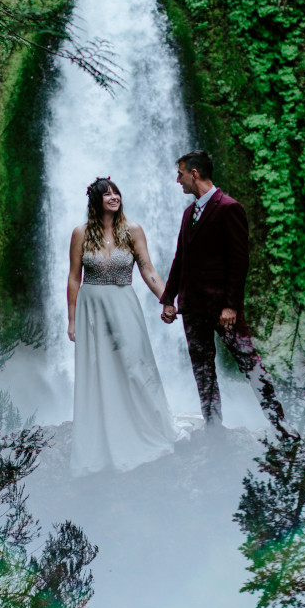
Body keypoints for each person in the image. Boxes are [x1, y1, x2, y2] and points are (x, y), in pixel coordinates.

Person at [158, 150, 296, 441]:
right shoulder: (188, 213)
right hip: (193, 308)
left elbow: (239, 261)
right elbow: (179, 259)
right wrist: (169, 299)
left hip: (223, 310)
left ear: (194, 174)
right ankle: (213, 428)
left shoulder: (229, 208)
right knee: (203, 371)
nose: (177, 180)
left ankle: (280, 425)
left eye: (180, 174)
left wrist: (231, 305)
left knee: (250, 363)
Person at [67, 177, 178, 475]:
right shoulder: (80, 234)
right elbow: (74, 278)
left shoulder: (133, 231)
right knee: (99, 367)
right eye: (107, 193)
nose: (113, 196)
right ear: (96, 200)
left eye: (116, 192)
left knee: (134, 364)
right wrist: (72, 320)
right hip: (91, 306)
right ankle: (104, 433)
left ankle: (148, 424)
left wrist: (167, 300)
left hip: (124, 304)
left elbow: (148, 270)